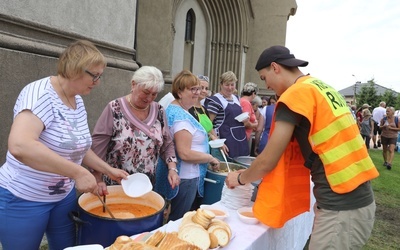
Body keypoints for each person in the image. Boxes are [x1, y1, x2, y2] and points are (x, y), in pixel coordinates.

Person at [225, 45, 379, 250]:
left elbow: (267, 160)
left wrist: (240, 177)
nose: (267, 85)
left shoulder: (295, 95)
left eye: (264, 78)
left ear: (275, 67)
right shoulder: (320, 87)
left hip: (341, 207)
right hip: (355, 199)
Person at [0, 40, 129, 250]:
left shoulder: (77, 99)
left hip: (63, 196)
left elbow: (78, 146)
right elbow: (20, 145)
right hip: (24, 197)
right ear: (74, 69)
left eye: (100, 76)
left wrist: (108, 170)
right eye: (94, 75)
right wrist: (78, 173)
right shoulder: (40, 95)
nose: (97, 82)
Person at [91, 66, 179, 196]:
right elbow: (98, 148)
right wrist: (97, 179)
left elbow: (167, 144)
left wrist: (172, 169)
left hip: (146, 186)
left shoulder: (159, 111)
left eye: (154, 94)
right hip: (117, 185)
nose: (149, 98)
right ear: (133, 84)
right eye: (146, 92)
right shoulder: (114, 109)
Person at [155, 70, 220, 221]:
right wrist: (210, 158)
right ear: (179, 92)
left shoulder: (175, 109)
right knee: (177, 222)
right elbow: (184, 153)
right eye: (192, 89)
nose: (197, 93)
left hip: (182, 176)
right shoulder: (180, 117)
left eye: (198, 88)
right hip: (186, 177)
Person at [204, 71, 250, 160]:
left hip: (240, 141)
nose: (230, 88)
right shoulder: (215, 101)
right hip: (224, 143)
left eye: (232, 85)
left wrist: (245, 120)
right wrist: (218, 142)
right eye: (227, 85)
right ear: (221, 85)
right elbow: (208, 125)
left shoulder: (237, 98)